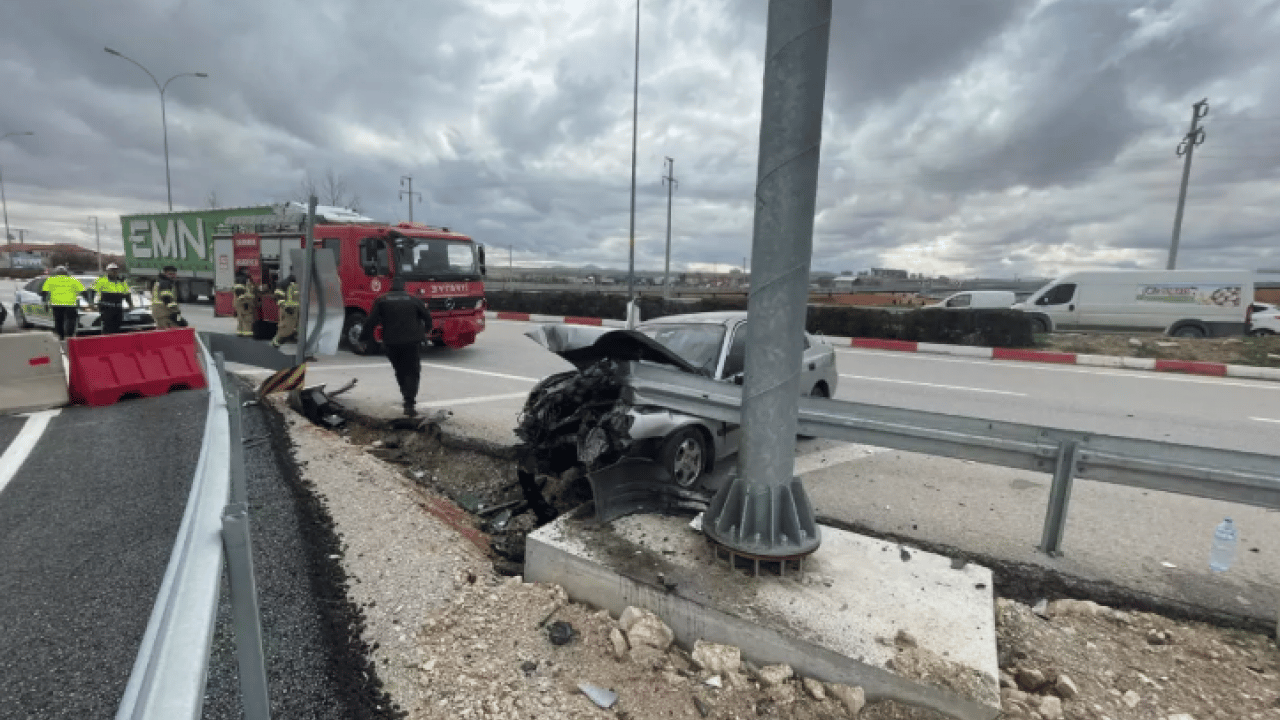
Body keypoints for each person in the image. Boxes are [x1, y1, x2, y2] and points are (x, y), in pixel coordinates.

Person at [358, 276, 432, 416]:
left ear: (391, 287)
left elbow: (371, 322)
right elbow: (427, 318)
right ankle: (409, 402)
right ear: (404, 287)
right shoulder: (414, 299)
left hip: (391, 343)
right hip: (412, 342)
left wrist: (363, 338)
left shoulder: (382, 300)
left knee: (400, 370)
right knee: (412, 371)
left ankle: (405, 393)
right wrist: (425, 332)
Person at [41, 265, 87, 341]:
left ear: (56, 273)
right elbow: (83, 291)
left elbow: (44, 292)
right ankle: (69, 335)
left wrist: (45, 303)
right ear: (66, 273)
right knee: (71, 320)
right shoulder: (73, 280)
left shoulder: (51, 280)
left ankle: (61, 336)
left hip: (56, 304)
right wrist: (85, 300)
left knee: (59, 321)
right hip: (70, 304)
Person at [91, 263, 134, 334]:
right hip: (107, 309)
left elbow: (127, 294)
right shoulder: (102, 281)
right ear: (107, 272)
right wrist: (92, 303)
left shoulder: (121, 282)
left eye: (116, 271)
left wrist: (130, 304)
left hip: (118, 309)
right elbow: (92, 291)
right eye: (112, 270)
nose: (114, 272)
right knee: (107, 328)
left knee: (117, 328)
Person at [151, 266, 186, 330]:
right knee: (174, 330)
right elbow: (167, 300)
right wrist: (176, 315)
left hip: (160, 313)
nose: (173, 276)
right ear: (165, 274)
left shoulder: (161, 282)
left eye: (174, 274)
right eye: (170, 274)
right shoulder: (165, 283)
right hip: (164, 313)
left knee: (164, 330)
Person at [271, 274, 299, 347]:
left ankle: (291, 338)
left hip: (295, 310)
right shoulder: (285, 284)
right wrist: (285, 307)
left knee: (294, 327)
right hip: (287, 310)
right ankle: (275, 343)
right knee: (285, 328)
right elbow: (278, 296)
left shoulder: (296, 285)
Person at [232, 270, 260, 338]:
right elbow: (251, 295)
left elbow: (235, 296)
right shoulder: (248, 285)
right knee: (247, 319)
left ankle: (240, 331)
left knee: (240, 318)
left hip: (238, 303)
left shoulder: (236, 284)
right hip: (246, 303)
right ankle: (247, 332)